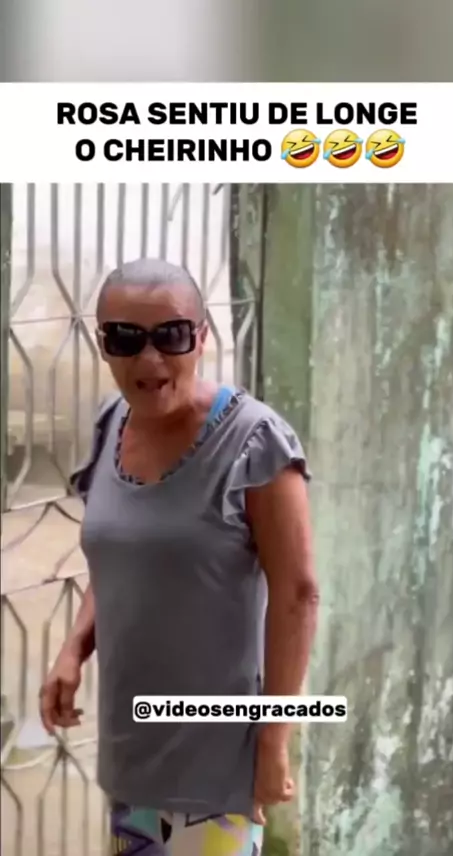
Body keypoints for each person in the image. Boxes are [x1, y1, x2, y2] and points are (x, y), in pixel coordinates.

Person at [39, 258, 319, 856]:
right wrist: (74, 648)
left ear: (202, 336)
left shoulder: (253, 442)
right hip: (132, 752)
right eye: (126, 339)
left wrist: (273, 745)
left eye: (171, 335)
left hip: (212, 768)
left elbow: (298, 595)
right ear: (103, 343)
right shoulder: (113, 423)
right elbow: (123, 559)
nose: (150, 361)